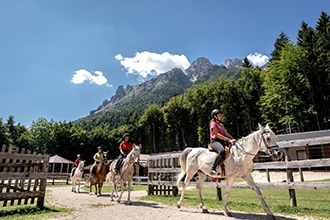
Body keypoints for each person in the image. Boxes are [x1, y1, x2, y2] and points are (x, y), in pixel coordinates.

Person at [209, 109, 236, 175]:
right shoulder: (213, 124)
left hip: (222, 141)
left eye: (221, 115)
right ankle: (213, 169)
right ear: (215, 116)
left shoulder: (221, 125)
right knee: (221, 151)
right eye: (219, 115)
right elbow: (217, 135)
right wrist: (229, 140)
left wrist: (233, 139)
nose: (221, 116)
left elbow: (226, 133)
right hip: (215, 141)